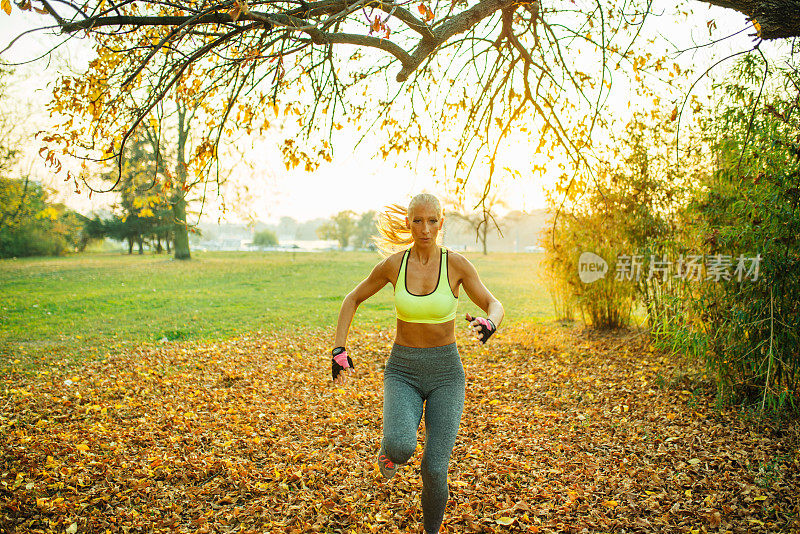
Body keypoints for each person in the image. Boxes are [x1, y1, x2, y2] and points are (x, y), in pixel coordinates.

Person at [330, 193, 505, 534]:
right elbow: (353, 298)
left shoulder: (457, 265)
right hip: (403, 371)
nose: (425, 229)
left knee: (435, 469)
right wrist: (339, 349)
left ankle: (431, 531)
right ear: (408, 223)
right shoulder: (394, 264)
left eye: (433, 220)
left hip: (446, 374)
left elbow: (492, 302)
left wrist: (491, 322)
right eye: (418, 221)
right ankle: (388, 450)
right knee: (400, 446)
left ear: (443, 221)